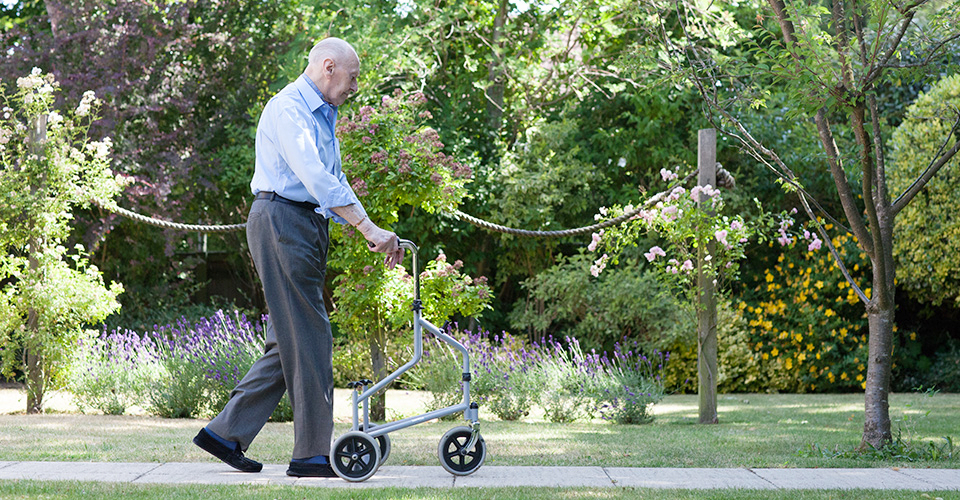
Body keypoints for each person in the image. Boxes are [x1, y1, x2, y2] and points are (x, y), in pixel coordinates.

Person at [192, 37, 403, 478]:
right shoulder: (289, 109)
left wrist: (366, 230)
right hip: (281, 221)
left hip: (303, 225)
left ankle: (224, 433)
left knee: (289, 338)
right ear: (329, 67)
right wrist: (368, 227)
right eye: (353, 76)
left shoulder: (323, 115)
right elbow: (315, 178)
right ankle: (310, 455)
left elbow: (334, 179)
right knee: (310, 336)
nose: (355, 86)